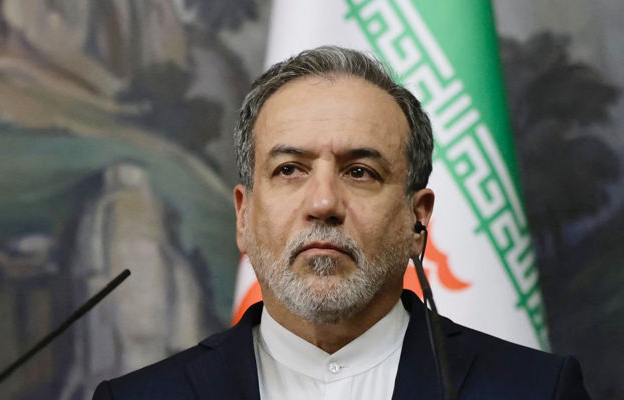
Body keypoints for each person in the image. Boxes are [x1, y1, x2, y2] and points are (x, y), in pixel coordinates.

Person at [92, 46, 590, 399]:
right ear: (244, 216)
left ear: (417, 220)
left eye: (360, 172)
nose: (324, 202)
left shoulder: (535, 390)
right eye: (290, 169)